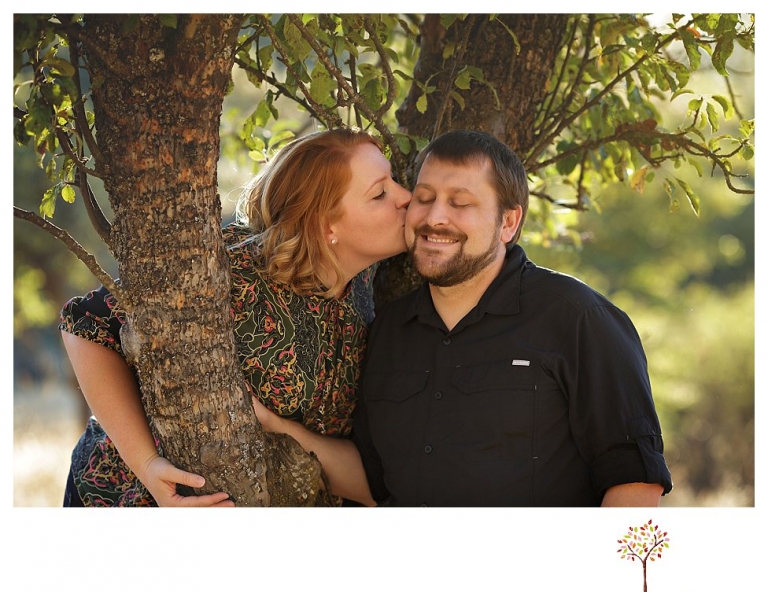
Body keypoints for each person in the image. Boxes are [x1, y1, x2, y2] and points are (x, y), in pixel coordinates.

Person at [254, 129, 673, 506]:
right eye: (424, 197)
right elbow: (373, 479)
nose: (436, 217)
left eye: (461, 203)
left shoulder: (580, 319)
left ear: (508, 222)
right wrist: (272, 425)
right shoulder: (386, 329)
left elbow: (635, 482)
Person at [59, 127, 410, 507]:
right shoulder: (230, 270)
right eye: (380, 193)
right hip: (129, 496)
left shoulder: (366, 283)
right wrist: (147, 465)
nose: (407, 197)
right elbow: (86, 324)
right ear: (326, 225)